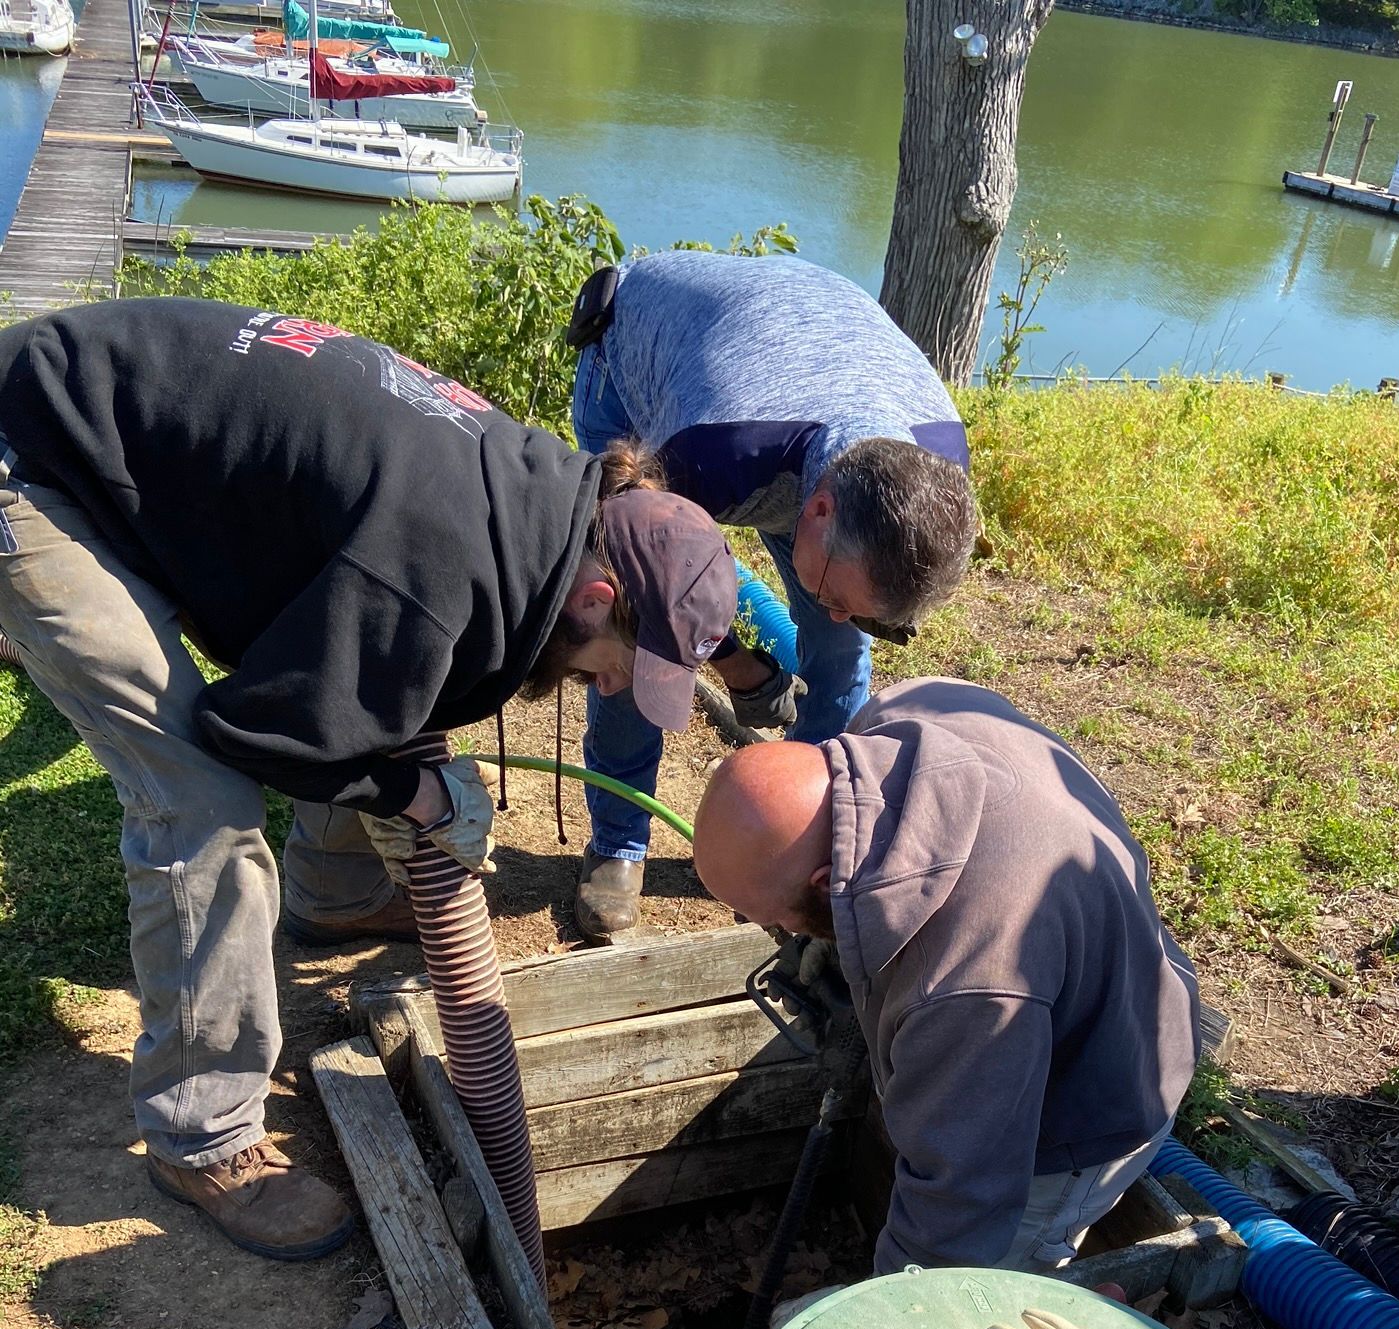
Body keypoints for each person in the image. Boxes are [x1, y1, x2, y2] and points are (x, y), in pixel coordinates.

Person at [0, 299, 737, 1261]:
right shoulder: (437, 565)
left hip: (123, 436)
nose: (612, 689)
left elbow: (368, 672)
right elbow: (263, 734)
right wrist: (410, 796)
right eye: (621, 665)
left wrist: (399, 765)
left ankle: (336, 895)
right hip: (38, 465)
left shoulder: (546, 502)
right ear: (598, 595)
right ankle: (200, 1130)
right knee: (201, 803)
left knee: (377, 698)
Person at [692, 678, 1202, 1277]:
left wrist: (896, 1315)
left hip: (1089, 1104)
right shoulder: (898, 715)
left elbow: (958, 1212)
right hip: (1094, 961)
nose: (776, 931)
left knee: (989, 1296)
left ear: (824, 880)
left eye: (773, 918)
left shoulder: (966, 980)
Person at [567, 249, 978, 940]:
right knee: (636, 647)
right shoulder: (713, 448)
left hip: (811, 370)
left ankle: (799, 842)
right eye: (839, 592)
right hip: (636, 353)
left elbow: (849, 605)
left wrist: (831, 615)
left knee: (841, 655)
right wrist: (733, 662)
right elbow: (653, 601)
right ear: (818, 513)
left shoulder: (939, 458)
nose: (840, 610)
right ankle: (618, 841)